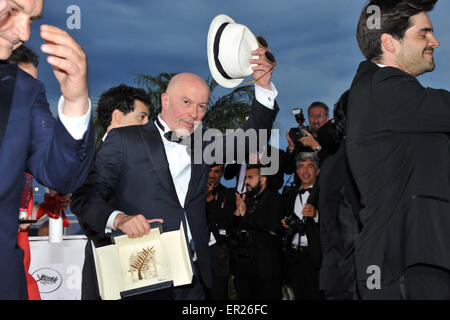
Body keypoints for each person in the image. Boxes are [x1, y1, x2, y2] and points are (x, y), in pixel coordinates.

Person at [70, 46, 279, 299]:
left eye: (202, 106)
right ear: (165, 100)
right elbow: (84, 196)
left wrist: (264, 85)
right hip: (145, 275)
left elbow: (251, 140)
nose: (194, 114)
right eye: (187, 103)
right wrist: (119, 219)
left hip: (194, 276)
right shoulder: (125, 140)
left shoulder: (203, 143)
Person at [346, 0, 450, 299]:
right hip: (402, 264)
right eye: (423, 34)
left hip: (405, 261)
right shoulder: (384, 84)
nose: (435, 41)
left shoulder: (383, 92)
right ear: (389, 42)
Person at [0, 0, 95, 300]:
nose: (24, 33)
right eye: (13, 9)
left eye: (32, 19)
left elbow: (61, 176)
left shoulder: (25, 91)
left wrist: (77, 99)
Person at [71, 84, 151, 300]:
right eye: (141, 117)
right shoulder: (88, 158)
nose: (147, 125)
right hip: (106, 260)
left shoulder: (147, 157)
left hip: (144, 262)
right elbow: (83, 204)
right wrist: (119, 220)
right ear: (117, 116)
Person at [318, 91, 362, 300]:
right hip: (351, 279)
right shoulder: (349, 162)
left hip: (346, 276)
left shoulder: (338, 160)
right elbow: (348, 228)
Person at [231, 164, 283, 300]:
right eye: (245, 177)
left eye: (250, 177)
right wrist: (237, 213)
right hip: (244, 266)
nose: (246, 181)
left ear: (263, 179)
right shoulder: (246, 198)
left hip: (266, 270)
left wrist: (245, 214)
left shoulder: (274, 199)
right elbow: (235, 228)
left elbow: (268, 227)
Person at [281, 152, 322, 300]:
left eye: (309, 166)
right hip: (294, 257)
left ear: (317, 171)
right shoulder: (289, 194)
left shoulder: (324, 193)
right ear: (297, 172)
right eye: (301, 167)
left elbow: (336, 222)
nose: (305, 171)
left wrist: (317, 215)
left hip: (316, 257)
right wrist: (285, 223)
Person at [204, 164, 234, 300]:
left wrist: (210, 201)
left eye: (216, 171)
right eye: (209, 171)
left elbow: (226, 223)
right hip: (197, 254)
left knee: (219, 295)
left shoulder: (228, 194)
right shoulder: (193, 193)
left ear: (222, 173)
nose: (212, 175)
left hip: (219, 255)